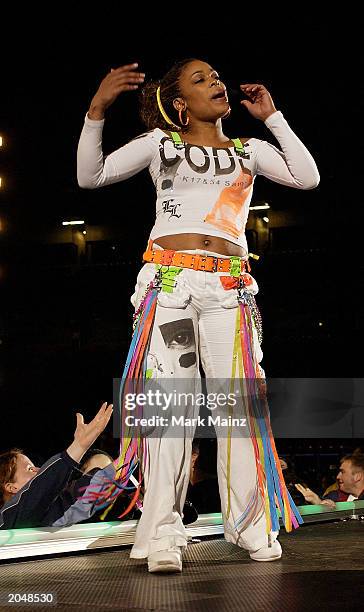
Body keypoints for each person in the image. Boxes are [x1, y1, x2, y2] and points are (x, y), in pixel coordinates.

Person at [77, 58, 319, 572]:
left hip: (228, 288)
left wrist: (273, 118)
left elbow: (308, 177)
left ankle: (250, 523)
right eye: (201, 79)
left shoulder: (247, 150)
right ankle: (164, 532)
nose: (218, 83)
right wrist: (97, 109)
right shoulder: (161, 144)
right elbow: (90, 175)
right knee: (171, 411)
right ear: (180, 103)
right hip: (170, 284)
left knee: (240, 410)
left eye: (217, 77)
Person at [0, 402, 113, 529]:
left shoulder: (54, 512)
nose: (38, 469)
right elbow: (37, 490)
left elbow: (80, 494)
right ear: (11, 487)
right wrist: (78, 447)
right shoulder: (6, 522)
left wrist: (117, 468)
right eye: (29, 469)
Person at [295, 453, 364, 508]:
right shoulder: (334, 497)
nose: (337, 476)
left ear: (357, 476)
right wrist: (317, 501)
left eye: (342, 472)